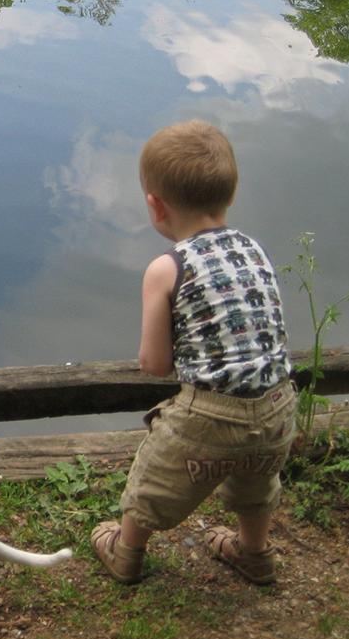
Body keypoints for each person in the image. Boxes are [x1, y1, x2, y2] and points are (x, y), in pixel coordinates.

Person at [90, 120, 297, 585]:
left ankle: (126, 553)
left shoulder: (166, 268)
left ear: (155, 205)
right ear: (231, 194)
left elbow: (155, 363)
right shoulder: (254, 248)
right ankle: (254, 554)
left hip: (210, 415)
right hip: (279, 406)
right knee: (257, 484)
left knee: (153, 478)